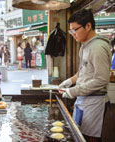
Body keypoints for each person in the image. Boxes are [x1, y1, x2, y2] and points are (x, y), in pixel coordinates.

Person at [59, 9, 112, 142]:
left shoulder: (98, 47)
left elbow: (101, 80)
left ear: (88, 26)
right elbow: (83, 71)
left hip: (95, 102)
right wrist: (70, 81)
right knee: (79, 136)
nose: (72, 34)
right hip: (84, 100)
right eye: (71, 31)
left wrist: (73, 91)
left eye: (75, 30)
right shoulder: (85, 46)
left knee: (89, 139)